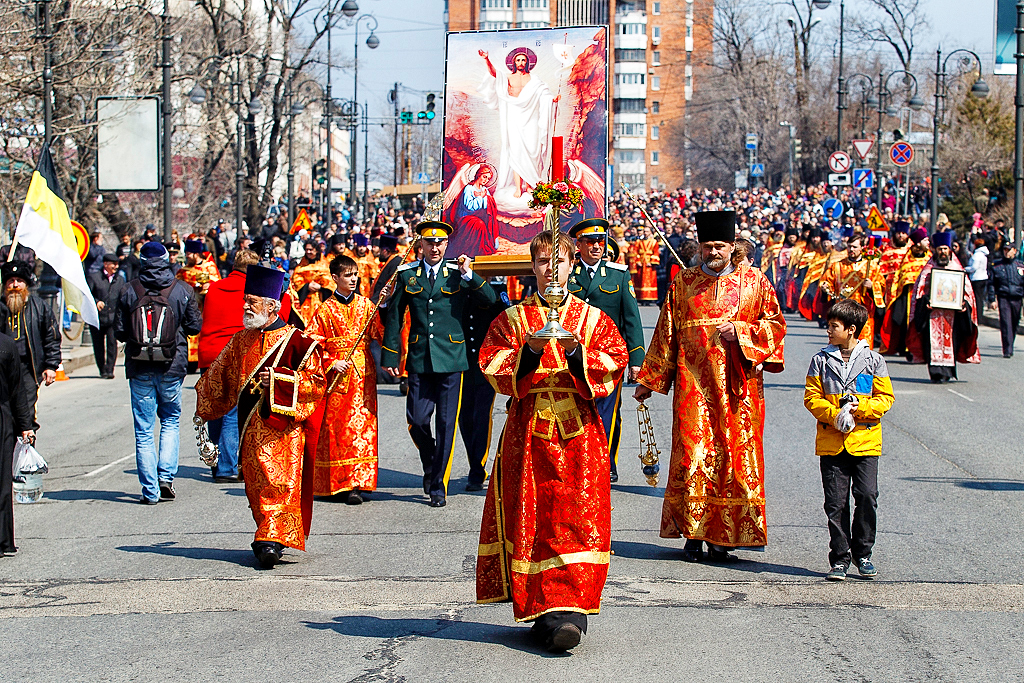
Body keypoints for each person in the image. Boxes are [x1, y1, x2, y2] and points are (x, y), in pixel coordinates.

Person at [476, 230, 627, 653]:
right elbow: (491, 362)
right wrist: (528, 352)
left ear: (572, 264)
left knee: (575, 518)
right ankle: (540, 610)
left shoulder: (593, 318)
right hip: (528, 434)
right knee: (534, 518)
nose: (552, 270)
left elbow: (615, 362)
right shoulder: (513, 319)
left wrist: (578, 355)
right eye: (543, 263)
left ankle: (570, 611)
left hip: (580, 436)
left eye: (559, 261)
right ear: (533, 267)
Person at [633, 210, 786, 562]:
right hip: (693, 388)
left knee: (733, 461)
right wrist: (649, 380)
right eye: (707, 246)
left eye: (719, 245)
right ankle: (693, 533)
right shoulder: (683, 282)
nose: (713, 251)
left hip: (738, 391)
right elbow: (665, 333)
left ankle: (724, 537)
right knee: (692, 457)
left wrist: (744, 334)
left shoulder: (756, 282)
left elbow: (775, 325)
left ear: (733, 247)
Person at [195, 265, 326, 568]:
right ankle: (267, 531)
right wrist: (204, 405)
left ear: (271, 306)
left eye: (252, 302)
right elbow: (220, 377)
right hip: (251, 432)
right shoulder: (241, 341)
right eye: (246, 300)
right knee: (256, 485)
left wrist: (281, 381)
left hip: (284, 431)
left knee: (279, 484)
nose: (245, 306)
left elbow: (316, 383)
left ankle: (269, 539)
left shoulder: (298, 342)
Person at [381, 220, 496, 507]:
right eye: (429, 242)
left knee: (446, 423)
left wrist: (470, 275)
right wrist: (391, 355)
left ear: (447, 245)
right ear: (420, 244)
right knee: (417, 420)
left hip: (452, 359)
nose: (435, 247)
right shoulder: (407, 275)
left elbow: (490, 299)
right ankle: (431, 460)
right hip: (420, 358)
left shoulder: (457, 275)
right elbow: (394, 316)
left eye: (440, 243)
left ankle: (438, 485)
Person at [803, 299, 895, 581]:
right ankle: (840, 558)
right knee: (835, 503)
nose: (828, 331)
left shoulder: (874, 360)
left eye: (834, 327)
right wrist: (834, 415)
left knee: (867, 496)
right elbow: (811, 397)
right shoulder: (820, 360)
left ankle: (863, 553)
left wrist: (860, 409)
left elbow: (885, 398)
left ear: (851, 329)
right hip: (832, 442)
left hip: (865, 441)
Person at [114, 242, 202, 504]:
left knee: (143, 430)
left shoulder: (128, 290)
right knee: (171, 421)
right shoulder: (182, 289)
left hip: (139, 365)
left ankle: (149, 491)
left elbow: (119, 331)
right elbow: (195, 326)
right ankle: (165, 478)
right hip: (172, 365)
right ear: (166, 261)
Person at [566, 218, 644, 482]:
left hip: (610, 357)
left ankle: (606, 463)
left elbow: (631, 318)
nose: (597, 246)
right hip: (576, 355)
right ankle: (578, 461)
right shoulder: (568, 275)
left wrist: (637, 359)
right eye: (590, 242)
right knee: (578, 409)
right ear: (579, 245)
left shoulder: (618, 274)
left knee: (608, 412)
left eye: (600, 241)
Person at [306, 255, 382, 504]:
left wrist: (388, 305)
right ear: (335, 278)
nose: (353, 279)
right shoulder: (325, 309)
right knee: (337, 430)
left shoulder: (366, 306)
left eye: (355, 274)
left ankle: (358, 483)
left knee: (364, 428)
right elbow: (312, 344)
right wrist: (330, 362)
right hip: (337, 377)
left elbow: (380, 332)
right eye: (347, 275)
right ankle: (339, 482)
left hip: (363, 376)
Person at [197, 249, 261, 482]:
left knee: (216, 406)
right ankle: (226, 466)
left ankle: (216, 460)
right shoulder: (252, 292)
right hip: (234, 354)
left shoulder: (214, 287)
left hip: (208, 351)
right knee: (233, 410)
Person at [477, 47, 556, 202]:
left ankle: (532, 185)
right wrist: (487, 59)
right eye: (518, 60)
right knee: (516, 152)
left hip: (531, 117)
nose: (521, 62)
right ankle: (519, 188)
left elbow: (545, 94)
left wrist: (552, 100)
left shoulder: (534, 80)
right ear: (514, 62)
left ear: (528, 62)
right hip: (514, 117)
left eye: (523, 60)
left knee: (533, 151)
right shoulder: (507, 78)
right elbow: (494, 74)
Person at [907, 231, 980, 382]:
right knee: (932, 342)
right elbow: (920, 292)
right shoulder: (928, 270)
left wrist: (963, 305)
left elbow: (968, 294)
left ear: (950, 250)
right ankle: (935, 373)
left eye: (945, 249)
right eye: (939, 249)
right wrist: (926, 302)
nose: (942, 252)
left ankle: (947, 372)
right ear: (935, 250)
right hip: (932, 315)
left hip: (953, 316)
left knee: (951, 341)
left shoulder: (958, 269)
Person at [458, 279, 509, 492]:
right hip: (462, 362)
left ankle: (477, 470)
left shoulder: (494, 289)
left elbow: (505, 315)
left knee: (481, 416)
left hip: (485, 363)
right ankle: (474, 463)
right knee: (465, 417)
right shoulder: (457, 286)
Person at [0, 261, 61, 430]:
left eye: (19, 281)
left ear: (26, 284)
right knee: (5, 415)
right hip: (3, 370)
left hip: (28, 369)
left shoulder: (38, 307)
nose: (15, 285)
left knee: (25, 415)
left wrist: (51, 365)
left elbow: (52, 337)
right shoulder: (0, 307)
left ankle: (26, 452)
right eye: (10, 281)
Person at [819, 233, 886, 348]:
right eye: (849, 246)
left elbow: (881, 285)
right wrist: (825, 287)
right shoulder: (838, 266)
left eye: (855, 247)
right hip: (842, 312)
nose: (851, 249)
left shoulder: (872, 266)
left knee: (863, 347)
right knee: (839, 346)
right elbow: (827, 282)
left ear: (862, 248)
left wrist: (872, 286)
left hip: (863, 312)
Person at [0, 332, 33, 557]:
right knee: (2, 480)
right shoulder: (6, 344)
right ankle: (2, 540)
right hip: (2, 418)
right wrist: (25, 424)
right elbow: (17, 389)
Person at [880, 229, 930, 358]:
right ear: (918, 243)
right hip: (908, 295)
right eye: (925, 240)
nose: (928, 242)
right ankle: (907, 347)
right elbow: (903, 274)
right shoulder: (908, 257)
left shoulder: (930, 257)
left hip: (925, 296)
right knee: (905, 321)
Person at [176, 239, 221, 368]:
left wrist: (209, 285)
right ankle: (190, 361)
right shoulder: (183, 270)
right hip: (190, 306)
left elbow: (218, 283)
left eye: (189, 254)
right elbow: (177, 285)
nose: (187, 256)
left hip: (206, 307)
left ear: (196, 254)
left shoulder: (209, 267)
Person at [86, 254, 126, 379]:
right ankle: (102, 369)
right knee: (98, 345)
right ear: (105, 264)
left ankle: (109, 370)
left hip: (113, 317)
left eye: (117, 264)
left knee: (112, 344)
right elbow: (87, 295)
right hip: (97, 318)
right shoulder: (94, 277)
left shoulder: (119, 279)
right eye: (113, 264)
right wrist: (96, 301)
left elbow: (123, 297)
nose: (116, 267)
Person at [287, 239, 334, 326]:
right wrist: (307, 286)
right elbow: (296, 278)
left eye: (311, 249)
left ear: (316, 250)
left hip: (321, 297)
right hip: (305, 298)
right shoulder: (302, 264)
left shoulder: (324, 264)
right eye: (306, 249)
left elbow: (330, 279)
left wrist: (320, 287)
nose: (308, 252)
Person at [991, 242, 1023, 358]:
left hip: (1017, 297)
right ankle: (1007, 349)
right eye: (1005, 249)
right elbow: (991, 284)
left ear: (1014, 251)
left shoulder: (1020, 266)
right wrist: (992, 299)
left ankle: (1010, 343)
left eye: (1009, 250)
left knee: (1014, 322)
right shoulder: (997, 266)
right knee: (1005, 322)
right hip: (1003, 297)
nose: (1006, 252)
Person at [628, 227, 660, 304]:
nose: (645, 233)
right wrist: (638, 260)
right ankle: (641, 297)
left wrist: (652, 261)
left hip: (649, 264)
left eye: (647, 231)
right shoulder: (639, 242)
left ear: (650, 232)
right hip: (641, 263)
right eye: (644, 231)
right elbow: (636, 252)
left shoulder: (654, 242)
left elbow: (655, 252)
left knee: (650, 281)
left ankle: (650, 298)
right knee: (640, 280)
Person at [965, 237, 991, 312]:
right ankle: (980, 314)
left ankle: (978, 315)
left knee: (977, 298)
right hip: (983, 277)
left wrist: (966, 269)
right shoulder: (984, 254)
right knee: (980, 298)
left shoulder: (977, 255)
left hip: (976, 278)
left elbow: (974, 267)